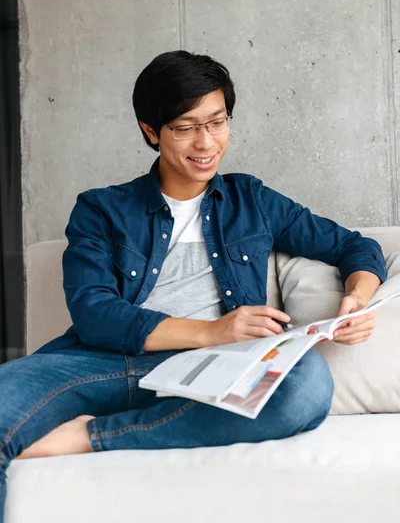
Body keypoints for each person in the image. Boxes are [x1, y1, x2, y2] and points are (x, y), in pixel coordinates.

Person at [0, 51, 386, 518]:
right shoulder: (101, 209)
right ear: (150, 131)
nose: (206, 142)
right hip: (97, 362)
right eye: (185, 127)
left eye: (217, 122)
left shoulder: (252, 200)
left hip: (213, 372)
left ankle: (91, 434)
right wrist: (212, 330)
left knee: (305, 386)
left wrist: (357, 299)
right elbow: (93, 310)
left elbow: (355, 247)